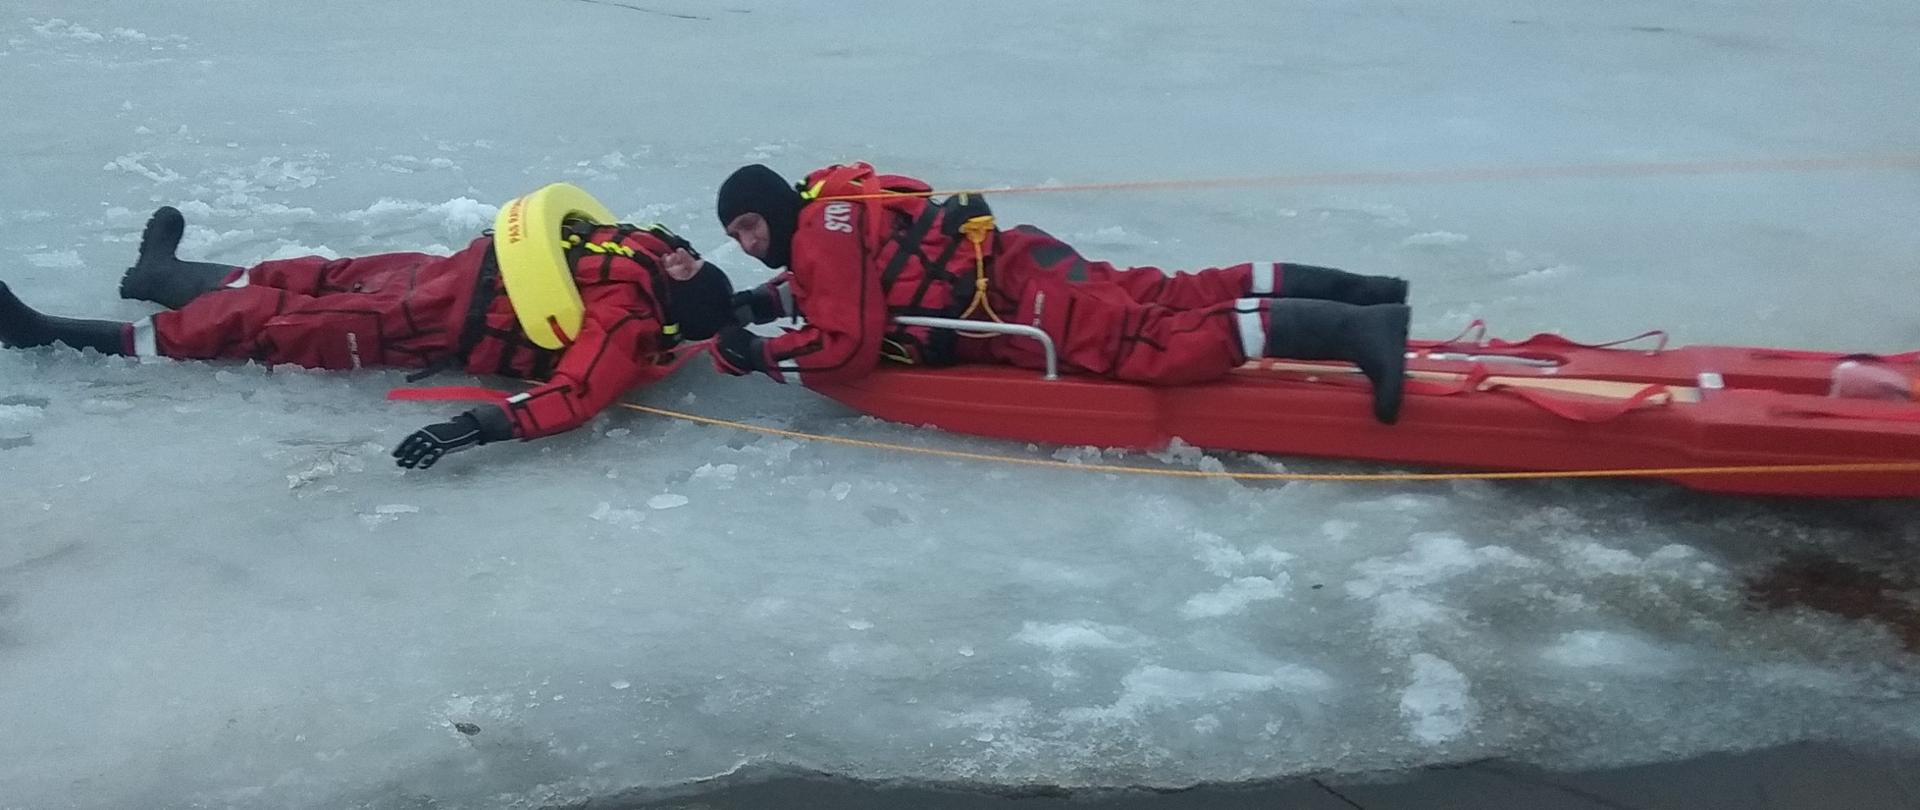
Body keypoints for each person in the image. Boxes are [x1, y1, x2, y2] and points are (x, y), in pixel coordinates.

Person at [0, 205, 736, 469]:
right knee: (315, 275)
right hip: (450, 271)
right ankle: (162, 274)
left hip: (432, 326)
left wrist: (468, 428)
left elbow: (573, 397)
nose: (681, 256)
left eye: (685, 268)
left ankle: (57, 335)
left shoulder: (628, 322)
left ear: (674, 304)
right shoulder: (650, 247)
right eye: (688, 257)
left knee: (273, 324)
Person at [707, 162, 1414, 424]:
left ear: (774, 209)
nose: (746, 243)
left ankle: (1355, 331)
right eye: (735, 236)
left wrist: (756, 355)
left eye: (748, 226)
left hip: (1019, 305)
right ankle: (1363, 294)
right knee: (1175, 293)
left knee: (1155, 346)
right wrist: (763, 304)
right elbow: (860, 277)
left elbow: (848, 346)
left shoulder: (818, 238)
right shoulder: (831, 207)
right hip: (1024, 260)